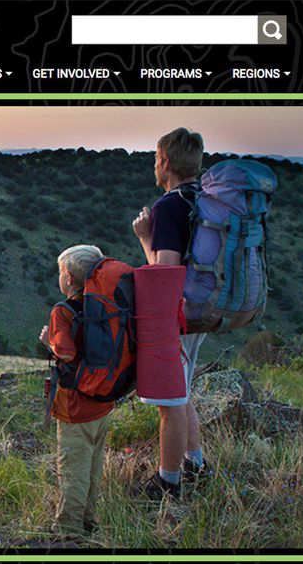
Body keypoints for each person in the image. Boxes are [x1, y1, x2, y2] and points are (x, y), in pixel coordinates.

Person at [130, 127, 211, 498]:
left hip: (176, 316)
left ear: (164, 162)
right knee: (183, 390)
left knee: (170, 401)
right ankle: (195, 463)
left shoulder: (167, 207)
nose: (154, 164)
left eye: (154, 158)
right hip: (203, 309)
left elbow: (165, 275)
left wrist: (146, 237)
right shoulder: (205, 201)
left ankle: (168, 482)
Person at [38, 244, 115, 538]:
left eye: (60, 272)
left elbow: (66, 355)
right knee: (94, 464)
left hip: (75, 406)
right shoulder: (105, 306)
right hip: (104, 400)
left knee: (72, 467)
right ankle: (88, 521)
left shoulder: (63, 311)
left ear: (69, 278)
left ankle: (68, 531)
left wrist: (49, 343)